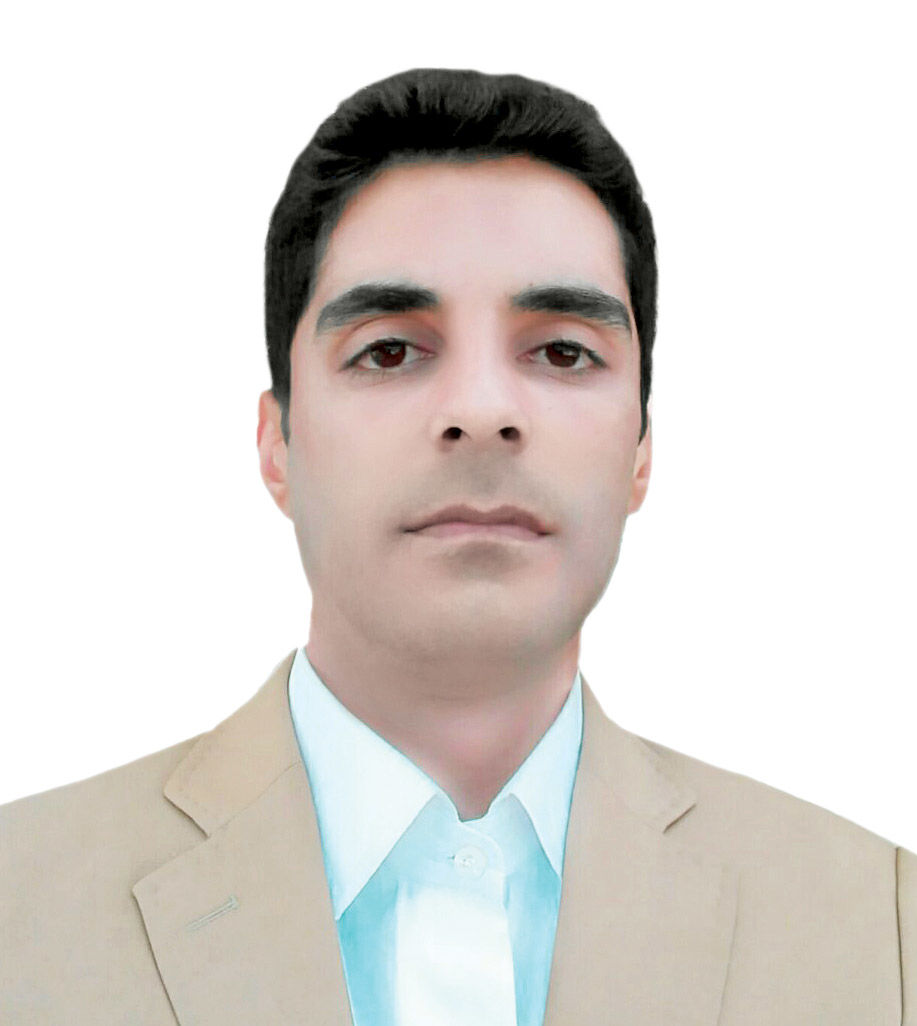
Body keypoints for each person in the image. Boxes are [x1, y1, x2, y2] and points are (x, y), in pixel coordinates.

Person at [1, 66, 913, 1026]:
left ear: (641, 451)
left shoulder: (879, 930)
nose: (481, 411)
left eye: (562, 351)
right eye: (389, 350)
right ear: (277, 445)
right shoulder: (23, 909)